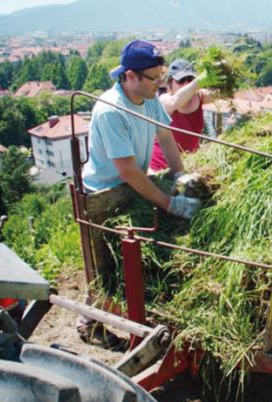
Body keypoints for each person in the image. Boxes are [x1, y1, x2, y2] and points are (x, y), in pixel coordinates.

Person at [79, 40, 202, 346]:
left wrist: (178, 174)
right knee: (105, 264)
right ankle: (88, 323)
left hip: (133, 185)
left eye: (162, 76)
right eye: (155, 78)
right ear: (130, 76)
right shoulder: (111, 111)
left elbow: (166, 137)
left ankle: (140, 314)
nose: (160, 83)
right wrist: (171, 203)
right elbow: (128, 171)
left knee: (134, 256)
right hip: (103, 195)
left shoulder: (149, 100)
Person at [149, 59, 215, 171]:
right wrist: (197, 83)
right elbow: (175, 101)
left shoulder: (199, 96)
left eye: (190, 79)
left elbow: (223, 95)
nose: (186, 84)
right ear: (170, 83)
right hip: (160, 168)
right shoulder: (164, 99)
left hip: (187, 165)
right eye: (181, 80)